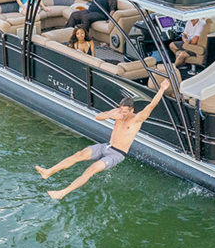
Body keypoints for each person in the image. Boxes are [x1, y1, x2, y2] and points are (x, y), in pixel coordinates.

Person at [37, 79, 171, 200]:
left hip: (117, 154)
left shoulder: (137, 119)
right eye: (121, 110)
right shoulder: (117, 113)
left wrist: (162, 89)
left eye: (125, 112)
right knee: (79, 155)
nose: (123, 114)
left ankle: (62, 193)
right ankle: (48, 172)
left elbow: (151, 105)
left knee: (90, 170)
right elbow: (98, 117)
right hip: (106, 146)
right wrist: (111, 114)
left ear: (132, 110)